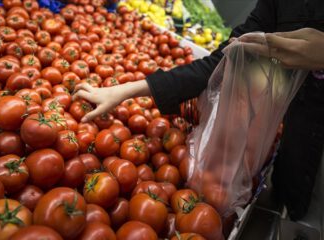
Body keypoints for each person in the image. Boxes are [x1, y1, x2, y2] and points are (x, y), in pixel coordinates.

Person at [73, 0, 324, 227]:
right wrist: (128, 90)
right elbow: (222, 60)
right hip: (292, 124)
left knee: (304, 196)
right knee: (290, 184)